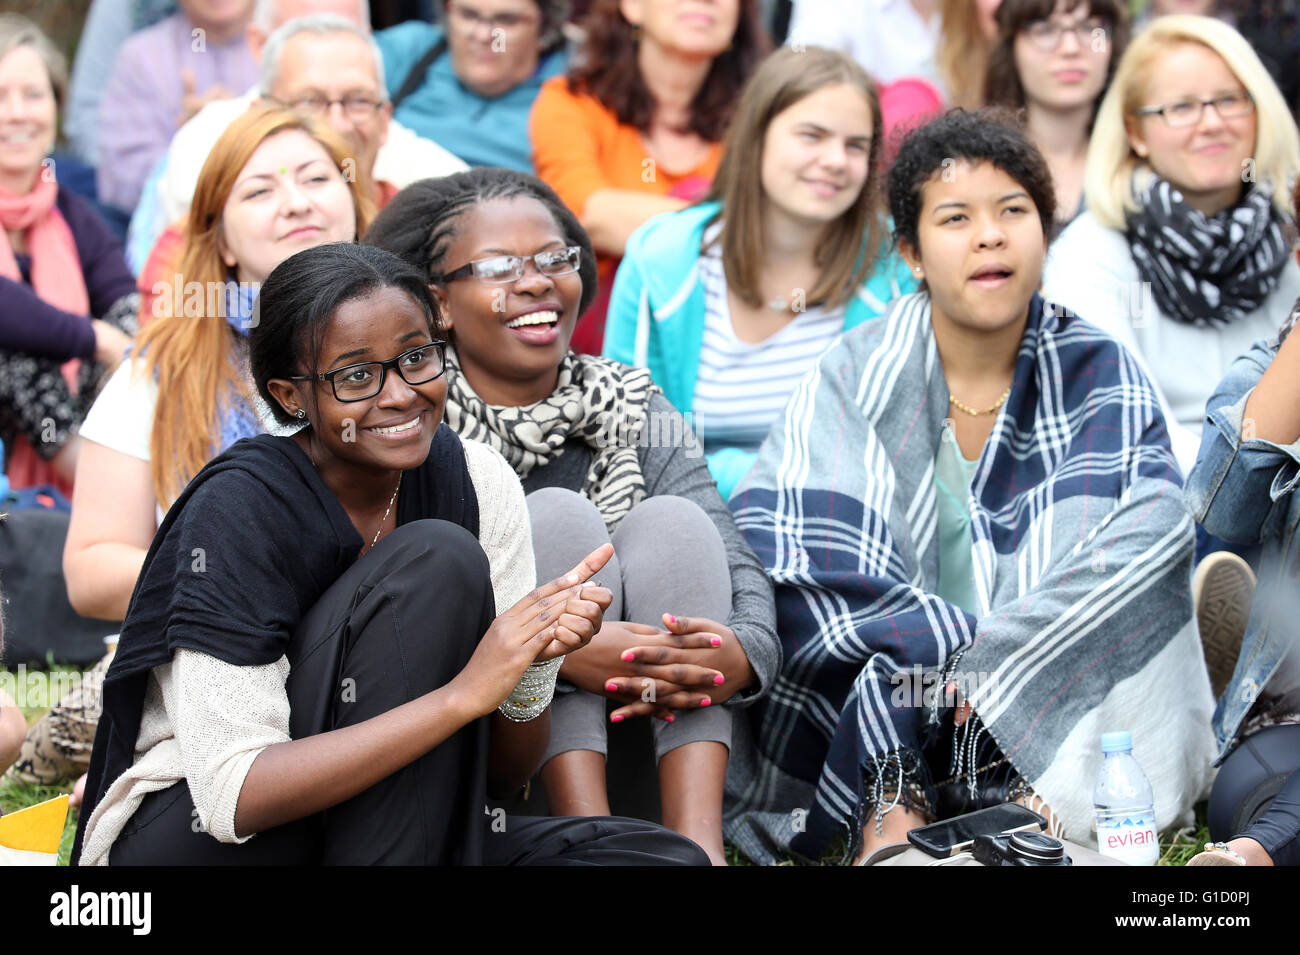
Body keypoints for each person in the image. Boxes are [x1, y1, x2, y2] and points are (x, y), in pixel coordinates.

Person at [72, 240, 708, 866]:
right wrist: (463, 694)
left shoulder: (479, 481)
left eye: (416, 357)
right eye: (355, 375)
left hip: (404, 816)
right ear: (292, 396)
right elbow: (234, 797)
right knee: (437, 559)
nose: (401, 394)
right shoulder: (240, 509)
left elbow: (502, 778)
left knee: (659, 857)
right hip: (216, 839)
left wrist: (533, 661)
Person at [724, 109, 1215, 866]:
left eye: (1014, 211)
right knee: (890, 671)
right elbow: (798, 545)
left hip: (1051, 680)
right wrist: (958, 651)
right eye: (956, 217)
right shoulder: (858, 368)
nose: (991, 235)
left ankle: (1022, 795)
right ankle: (893, 815)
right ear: (912, 254)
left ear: (1044, 235)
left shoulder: (1099, 368)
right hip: (888, 674)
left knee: (1156, 541)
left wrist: (996, 663)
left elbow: (1144, 532)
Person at [364, 167, 779, 866]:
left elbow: (738, 567)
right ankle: (591, 844)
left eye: (556, 258)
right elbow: (396, 625)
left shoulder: (634, 402)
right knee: (555, 519)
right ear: (437, 302)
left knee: (676, 523)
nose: (537, 282)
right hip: (508, 766)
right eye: (499, 267)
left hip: (650, 736)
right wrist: (563, 651)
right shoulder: (412, 425)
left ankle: (697, 848)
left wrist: (736, 655)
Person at [64, 105, 371, 624]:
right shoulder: (161, 371)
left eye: (316, 178)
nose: (296, 203)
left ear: (355, 207)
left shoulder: (422, 347)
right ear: (223, 241)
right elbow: (91, 570)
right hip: (217, 651)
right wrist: (232, 577)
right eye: (260, 191)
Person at [603, 47, 915, 499]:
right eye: (812, 135)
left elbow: (901, 449)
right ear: (757, 137)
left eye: (855, 146)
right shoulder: (663, 261)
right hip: (696, 521)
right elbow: (631, 444)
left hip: (842, 526)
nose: (835, 160)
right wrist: (756, 477)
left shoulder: (892, 267)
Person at [1042, 15, 1300, 475]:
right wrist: (1228, 493)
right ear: (1136, 133)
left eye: (1229, 100)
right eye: (1180, 108)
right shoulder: (1089, 253)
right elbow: (1125, 418)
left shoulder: (1291, 237)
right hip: (1156, 497)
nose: (1212, 123)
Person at [134, 12, 468, 320]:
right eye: (309, 102)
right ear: (260, 112)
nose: (337, 124)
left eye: (358, 101)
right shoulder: (193, 246)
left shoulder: (432, 229)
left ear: (385, 120)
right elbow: (170, 364)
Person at [529, 0, 768, 353]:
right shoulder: (570, 101)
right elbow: (587, 218)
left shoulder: (763, 123)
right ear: (632, 7)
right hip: (594, 354)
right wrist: (735, 231)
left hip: (729, 347)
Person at [1182, 222, 1300, 867]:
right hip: (1284, 733)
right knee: (1257, 800)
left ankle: (1250, 862)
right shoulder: (1264, 372)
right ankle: (1245, 862)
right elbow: (1224, 511)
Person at [0, 15, 136, 494]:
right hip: (29, 444)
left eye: (34, 95)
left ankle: (130, 484)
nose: (17, 113)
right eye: (0, 95)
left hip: (80, 423)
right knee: (14, 348)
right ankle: (98, 482)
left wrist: (133, 349)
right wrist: (92, 337)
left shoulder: (68, 211)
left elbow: (123, 298)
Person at [96, 0, 259, 215]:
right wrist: (193, 142)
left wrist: (254, 125)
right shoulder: (141, 58)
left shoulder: (291, 45)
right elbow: (119, 183)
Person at [985, 0, 1128, 237]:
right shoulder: (979, 164)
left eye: (1090, 28)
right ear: (1012, 47)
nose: (1070, 48)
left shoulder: (1140, 160)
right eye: (1045, 30)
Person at [376, 0, 570, 171]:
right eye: (468, 15)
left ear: (546, 27)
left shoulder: (576, 86)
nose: (484, 35)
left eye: (506, 20)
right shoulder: (411, 49)